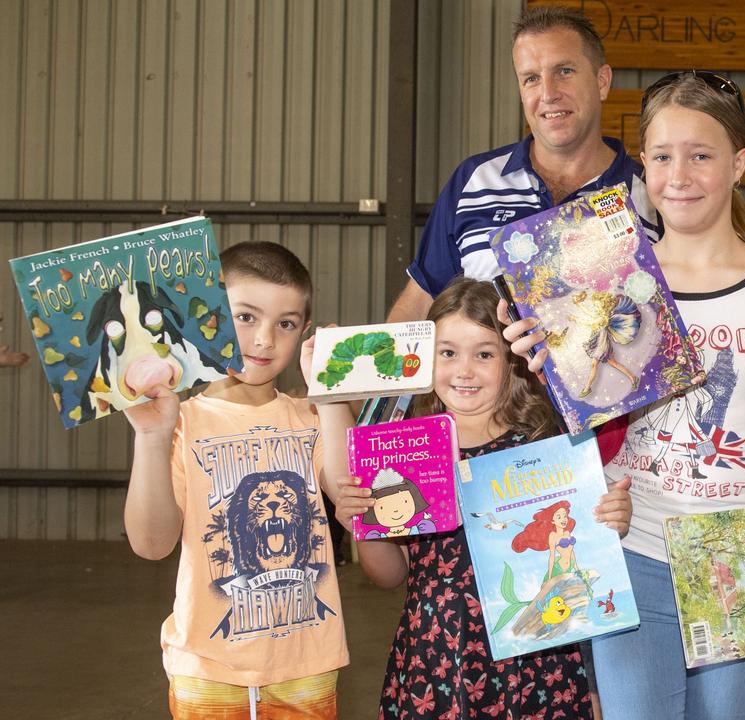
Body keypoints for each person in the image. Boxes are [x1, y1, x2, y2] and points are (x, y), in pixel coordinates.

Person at [506, 71, 745, 720]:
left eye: (701, 154)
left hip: (742, 558)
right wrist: (555, 370)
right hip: (632, 550)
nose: (679, 174)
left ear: (739, 163)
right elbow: (599, 430)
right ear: (642, 165)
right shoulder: (611, 282)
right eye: (661, 155)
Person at [335, 277, 633, 720]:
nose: (464, 370)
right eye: (448, 352)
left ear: (511, 361)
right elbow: (389, 575)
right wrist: (360, 523)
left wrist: (612, 518)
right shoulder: (403, 455)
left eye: (485, 354)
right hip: (438, 657)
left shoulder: (546, 446)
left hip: (538, 658)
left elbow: (584, 553)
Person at [122, 241, 354, 719]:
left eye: (285, 324)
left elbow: (351, 495)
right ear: (206, 316)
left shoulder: (313, 416)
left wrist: (331, 393)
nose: (265, 340)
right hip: (207, 673)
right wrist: (152, 436)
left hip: (306, 669)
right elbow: (151, 543)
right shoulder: (179, 421)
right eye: (245, 317)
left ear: (305, 332)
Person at [386, 7, 658, 323]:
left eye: (564, 71)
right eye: (531, 78)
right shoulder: (474, 180)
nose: (548, 93)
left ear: (602, 81)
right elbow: (418, 304)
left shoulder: (652, 192)